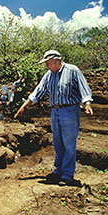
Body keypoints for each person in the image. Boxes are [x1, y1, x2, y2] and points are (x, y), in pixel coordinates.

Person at [14, 50, 93, 187]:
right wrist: (24, 106)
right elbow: (38, 91)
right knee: (57, 142)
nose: (46, 66)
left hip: (69, 110)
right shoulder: (49, 75)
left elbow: (83, 88)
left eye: (47, 64)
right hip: (55, 111)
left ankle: (67, 174)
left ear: (55, 61)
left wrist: (87, 104)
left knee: (68, 142)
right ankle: (59, 170)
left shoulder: (72, 71)